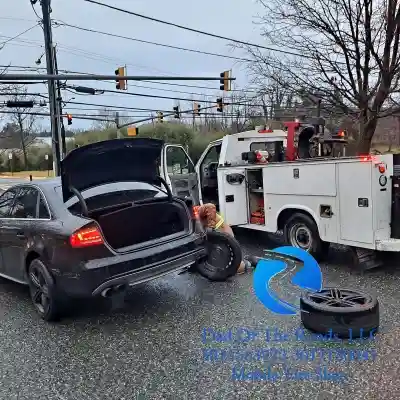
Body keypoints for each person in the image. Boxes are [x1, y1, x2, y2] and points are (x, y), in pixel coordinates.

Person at [195, 203, 255, 274]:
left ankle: (248, 263)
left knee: (239, 267)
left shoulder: (221, 230)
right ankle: (247, 262)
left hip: (221, 258)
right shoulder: (203, 222)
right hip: (212, 256)